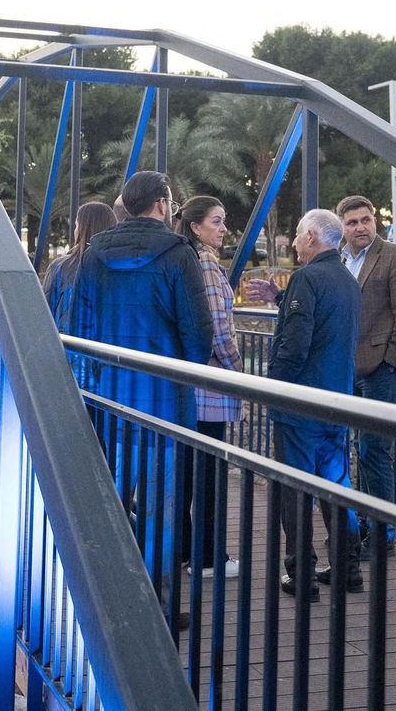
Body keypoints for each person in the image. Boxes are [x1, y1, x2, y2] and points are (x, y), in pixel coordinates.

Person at [69, 170, 214, 589]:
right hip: (166, 402)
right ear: (162, 204)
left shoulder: (94, 254)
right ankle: (155, 602)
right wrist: (186, 376)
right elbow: (197, 329)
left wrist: (92, 383)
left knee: (110, 501)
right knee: (162, 508)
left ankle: (108, 593)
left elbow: (80, 327)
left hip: (113, 400)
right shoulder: (178, 253)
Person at [267, 208, 362, 601]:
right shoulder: (347, 280)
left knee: (295, 489)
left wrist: (273, 385)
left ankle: (301, 573)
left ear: (311, 237)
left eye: (296, 235)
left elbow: (297, 343)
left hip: (301, 404)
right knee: (337, 486)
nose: (292, 242)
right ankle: (348, 567)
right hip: (336, 401)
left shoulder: (306, 278)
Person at [336, 194, 396, 555]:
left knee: (374, 447)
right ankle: (366, 525)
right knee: (360, 447)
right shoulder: (340, 258)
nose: (360, 227)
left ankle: (383, 535)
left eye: (365, 220)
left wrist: (391, 362)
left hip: (383, 370)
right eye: (352, 222)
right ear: (342, 226)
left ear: (376, 221)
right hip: (348, 368)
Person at [174, 195, 242, 578]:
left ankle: (184, 550)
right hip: (210, 386)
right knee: (210, 476)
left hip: (185, 385)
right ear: (196, 226)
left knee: (186, 474)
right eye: (217, 221)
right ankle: (209, 558)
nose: (223, 228)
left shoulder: (183, 261)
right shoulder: (207, 267)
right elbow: (218, 329)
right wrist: (238, 372)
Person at [41, 201, 117, 384]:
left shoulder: (61, 267)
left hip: (68, 363)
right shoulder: (120, 267)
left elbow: (44, 315)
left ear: (81, 228)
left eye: (75, 225)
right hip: (111, 368)